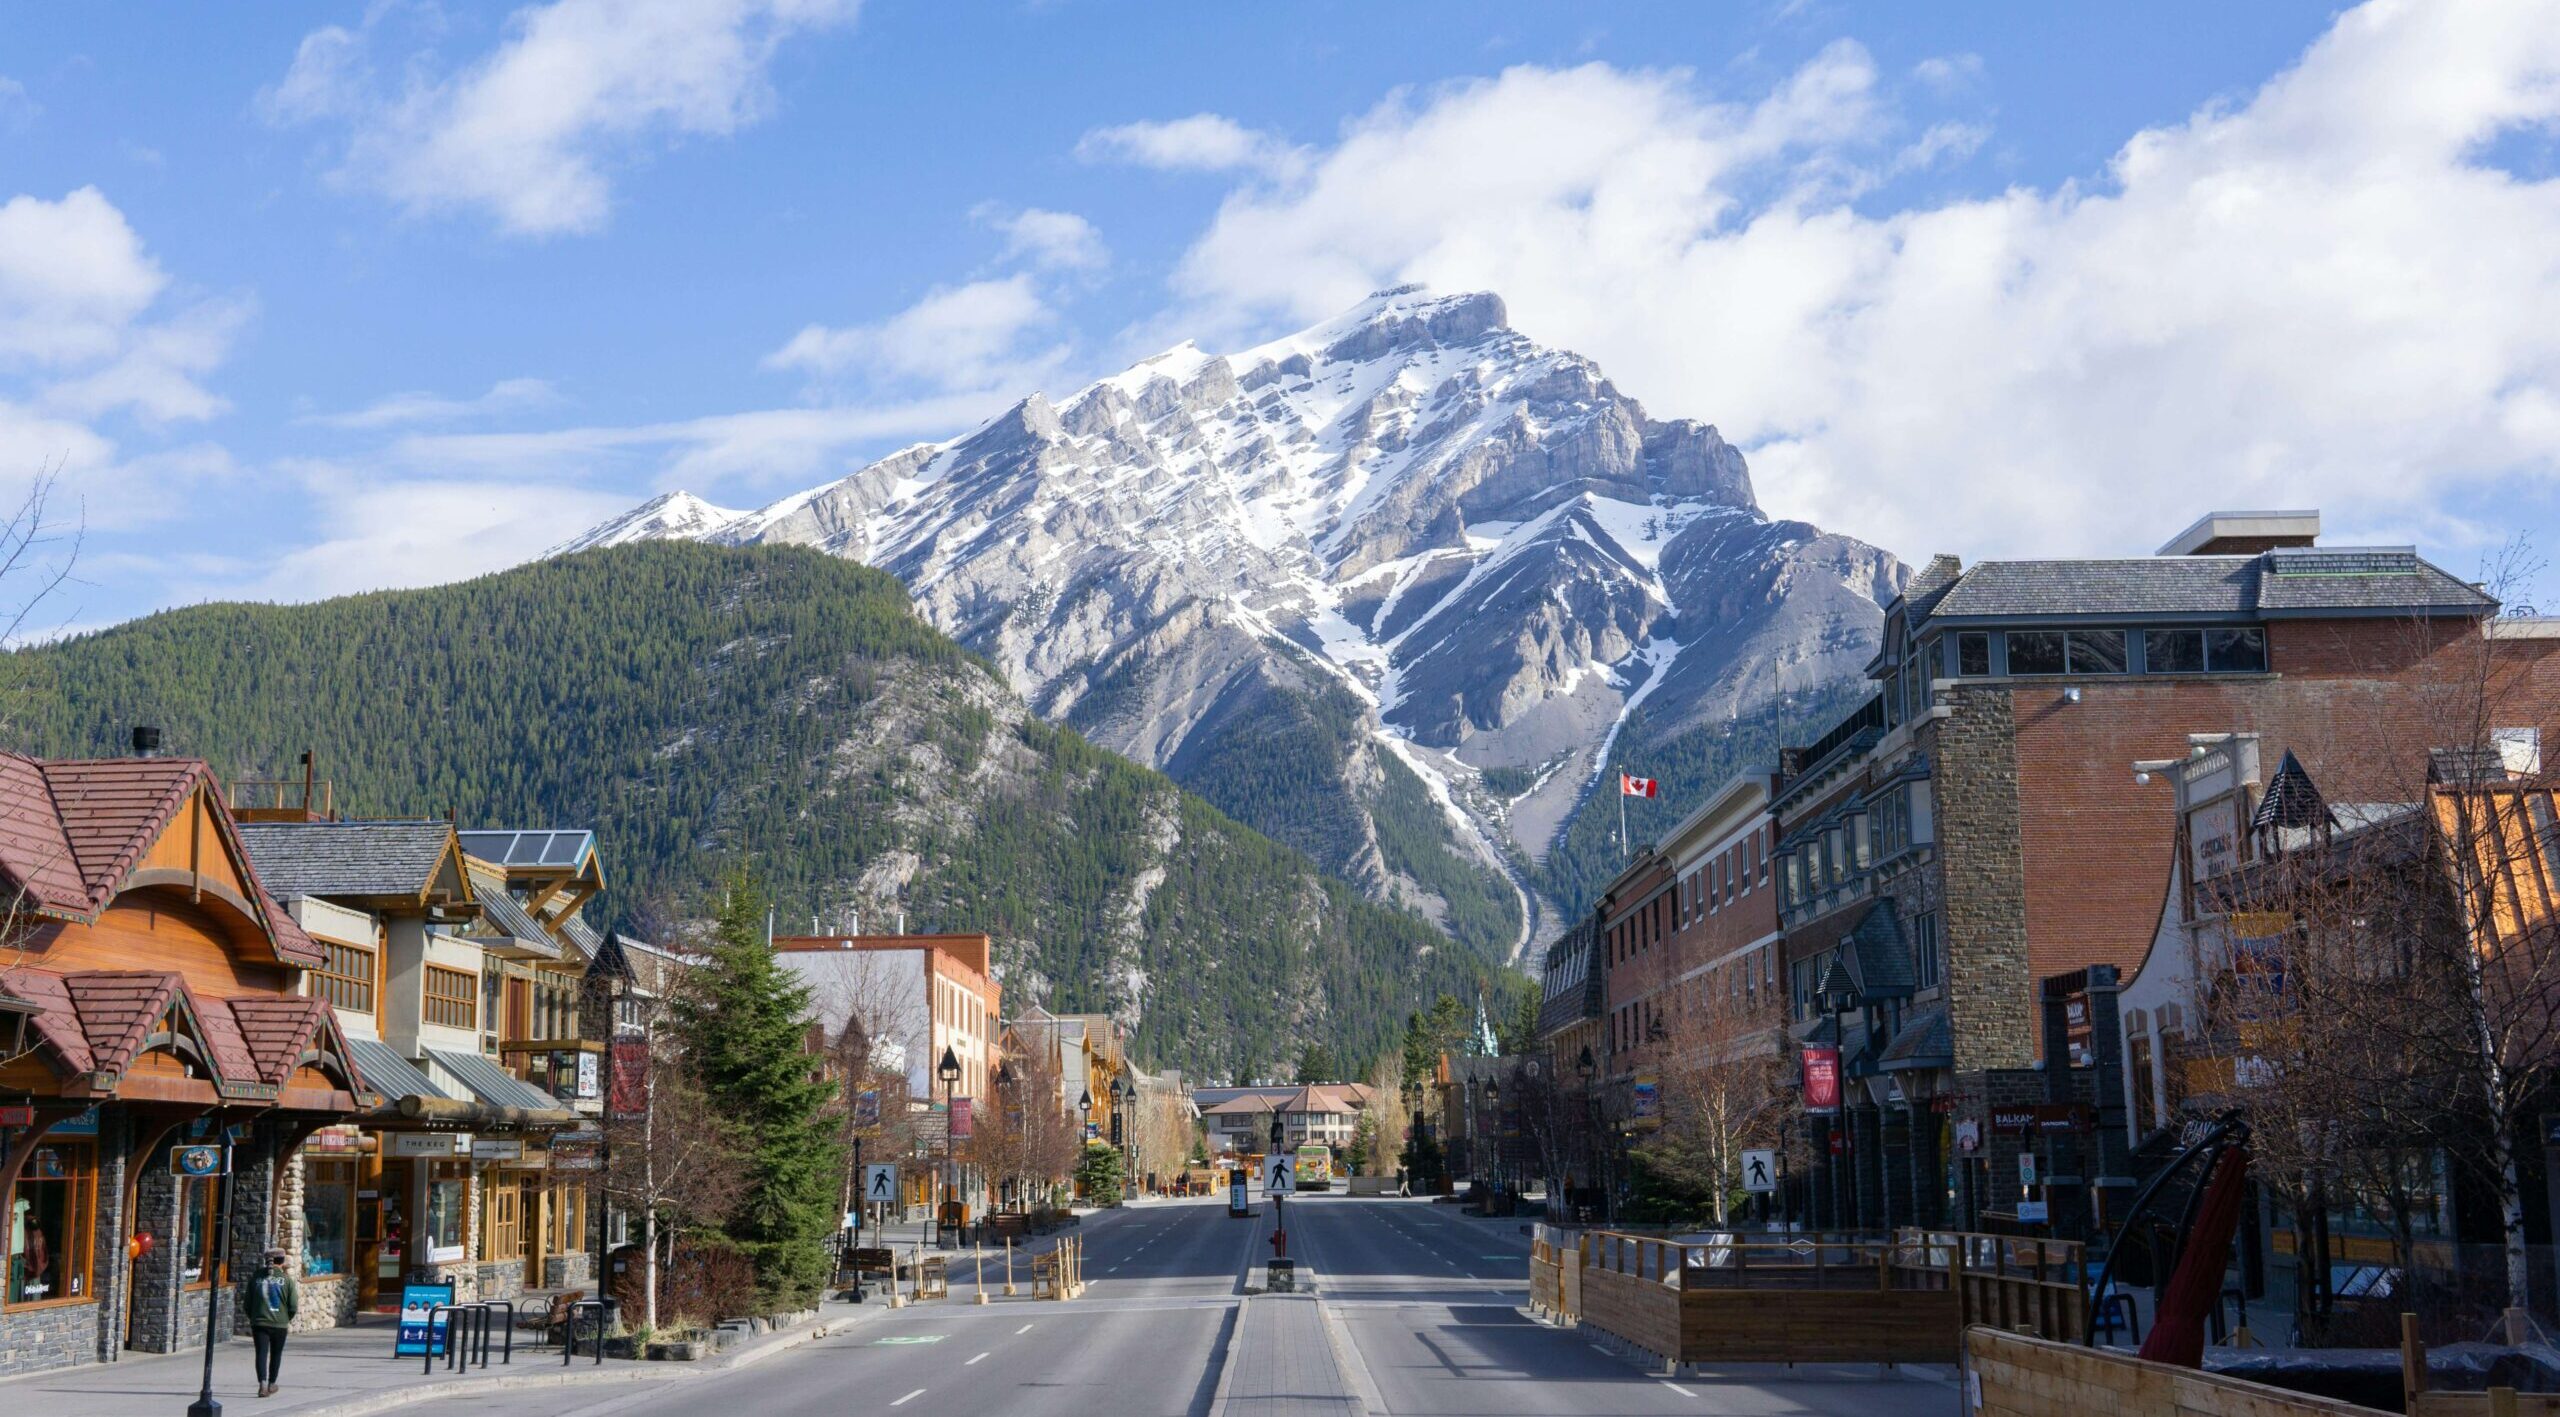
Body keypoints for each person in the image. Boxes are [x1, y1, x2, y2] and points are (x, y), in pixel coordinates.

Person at [240, 1248, 299, 1398]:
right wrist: (285, 1318)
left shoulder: (256, 1277)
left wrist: (254, 1317)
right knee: (276, 1354)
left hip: (259, 1323)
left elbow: (247, 1303)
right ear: (282, 1261)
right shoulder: (287, 1280)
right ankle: (272, 1383)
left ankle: (262, 1384)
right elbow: (293, 1306)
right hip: (279, 1324)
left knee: (261, 1353)